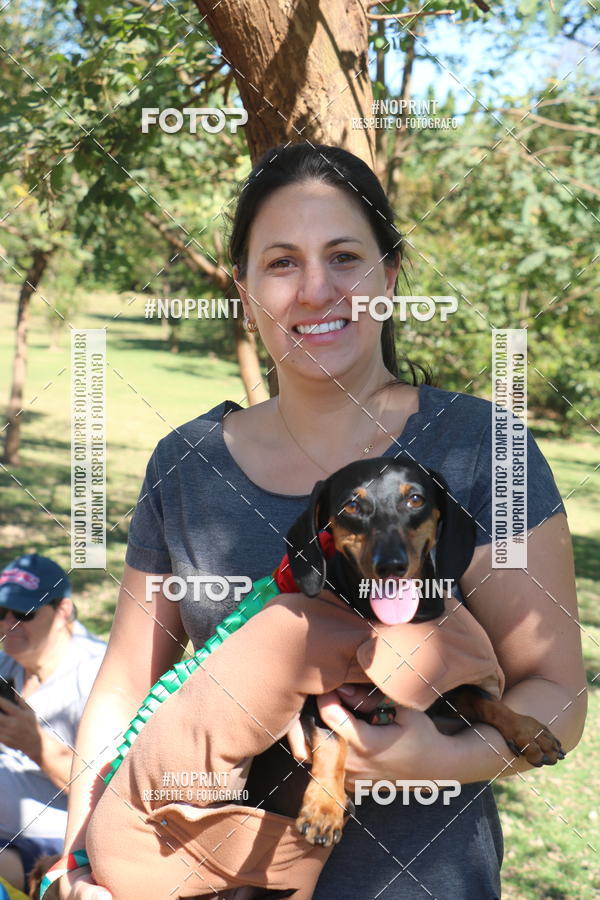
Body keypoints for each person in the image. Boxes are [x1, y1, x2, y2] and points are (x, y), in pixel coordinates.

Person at [59, 143, 586, 900]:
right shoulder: (187, 464)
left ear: (390, 275)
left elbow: (558, 694)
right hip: (199, 879)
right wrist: (83, 857)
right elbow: (122, 691)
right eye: (280, 263)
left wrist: (423, 759)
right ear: (243, 289)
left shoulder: (481, 448)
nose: (315, 290)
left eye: (344, 256)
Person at [0, 554, 106, 895]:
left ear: (63, 611)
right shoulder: (8, 659)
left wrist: (37, 746)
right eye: (1, 613)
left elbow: (114, 793)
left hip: (50, 849)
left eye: (24, 614)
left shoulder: (97, 676)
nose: (7, 625)